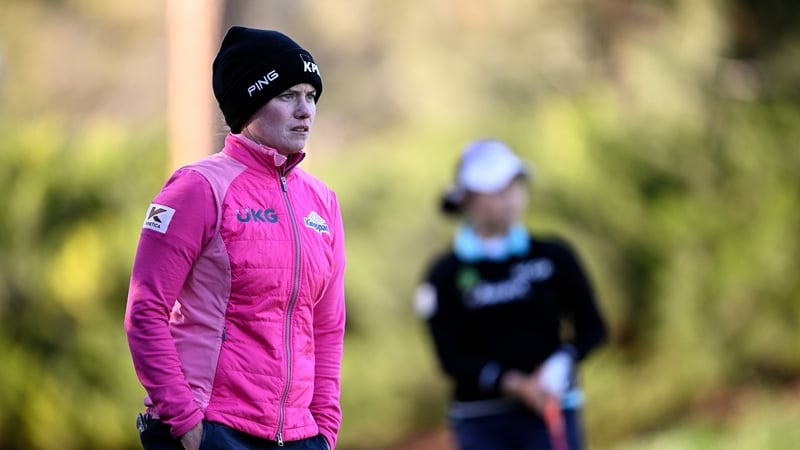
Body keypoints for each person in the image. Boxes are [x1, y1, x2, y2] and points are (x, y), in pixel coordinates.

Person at [125, 26, 345, 450]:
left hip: (299, 436)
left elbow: (328, 325)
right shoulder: (196, 188)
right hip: (210, 427)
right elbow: (145, 309)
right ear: (250, 103)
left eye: (311, 96)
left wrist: (324, 429)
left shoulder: (323, 201)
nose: (305, 111)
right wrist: (187, 424)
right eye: (287, 96)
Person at [414, 138, 607, 450]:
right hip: (481, 421)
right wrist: (512, 383)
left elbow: (594, 328)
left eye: (515, 185)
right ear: (468, 200)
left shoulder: (553, 255)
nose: (511, 198)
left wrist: (560, 363)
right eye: (498, 190)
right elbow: (450, 356)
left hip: (551, 408)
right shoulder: (444, 275)